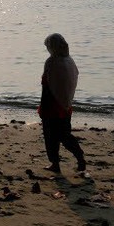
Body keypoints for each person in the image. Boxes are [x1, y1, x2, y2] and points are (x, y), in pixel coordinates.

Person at [38, 33, 86, 174]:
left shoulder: (52, 62)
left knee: (50, 137)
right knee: (65, 135)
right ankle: (80, 157)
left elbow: (47, 85)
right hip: (65, 105)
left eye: (48, 46)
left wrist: (42, 108)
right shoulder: (69, 60)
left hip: (51, 105)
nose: (47, 49)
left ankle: (55, 164)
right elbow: (71, 82)